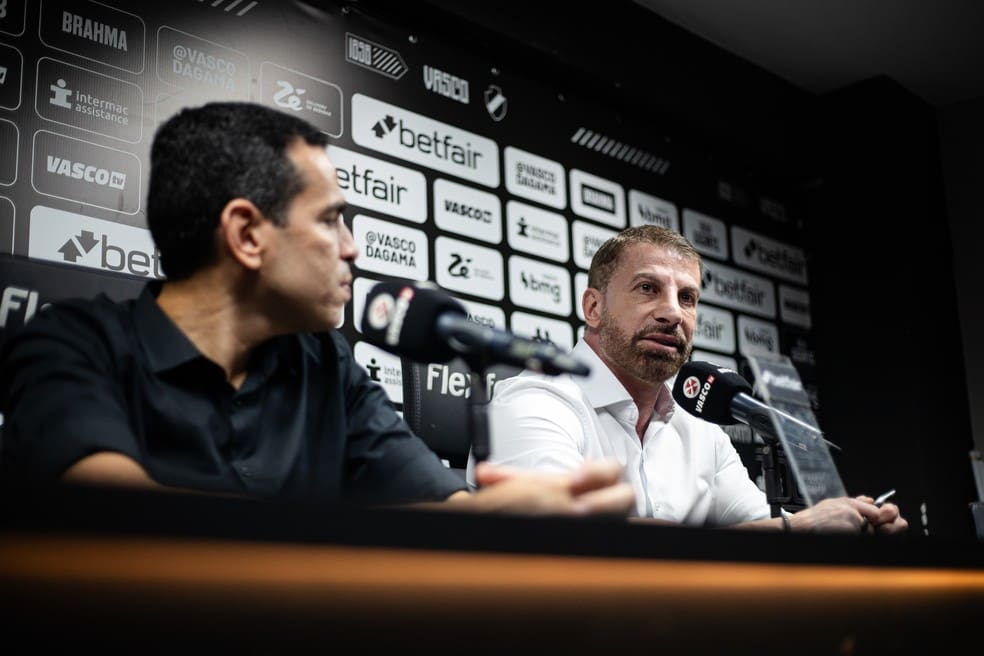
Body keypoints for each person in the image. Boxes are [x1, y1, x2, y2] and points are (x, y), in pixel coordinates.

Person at [0, 101, 634, 516]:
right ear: (247, 234)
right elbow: (118, 525)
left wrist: (528, 509)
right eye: (332, 220)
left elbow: (439, 510)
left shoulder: (326, 367)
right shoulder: (69, 346)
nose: (354, 249)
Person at [468, 225, 908, 534]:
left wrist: (851, 526)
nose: (673, 312)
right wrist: (800, 528)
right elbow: (567, 540)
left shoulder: (703, 434)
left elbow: (758, 526)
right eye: (647, 288)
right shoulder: (533, 400)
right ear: (594, 308)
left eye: (687, 297)